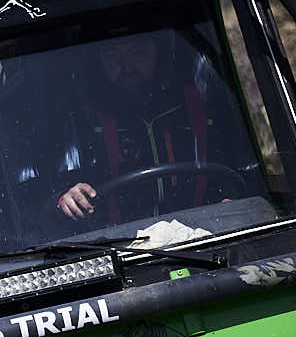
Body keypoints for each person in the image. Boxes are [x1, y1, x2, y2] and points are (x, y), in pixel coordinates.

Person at [52, 29, 254, 224]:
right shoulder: (84, 120)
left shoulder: (202, 103)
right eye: (112, 54)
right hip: (120, 243)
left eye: (137, 51)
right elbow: (55, 194)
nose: (126, 66)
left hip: (207, 234)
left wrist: (233, 200)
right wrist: (67, 198)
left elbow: (243, 171)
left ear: (160, 50)